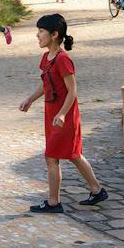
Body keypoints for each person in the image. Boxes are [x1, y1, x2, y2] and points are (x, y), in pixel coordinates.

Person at [20, 13, 107, 212]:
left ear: (54, 34)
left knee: (52, 156)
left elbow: (73, 90)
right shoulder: (46, 58)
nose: (37, 35)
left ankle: (53, 202)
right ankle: (97, 190)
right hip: (52, 114)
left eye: (41, 31)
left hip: (64, 115)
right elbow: (46, 85)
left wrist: (62, 114)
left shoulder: (63, 60)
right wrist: (30, 100)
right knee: (74, 154)